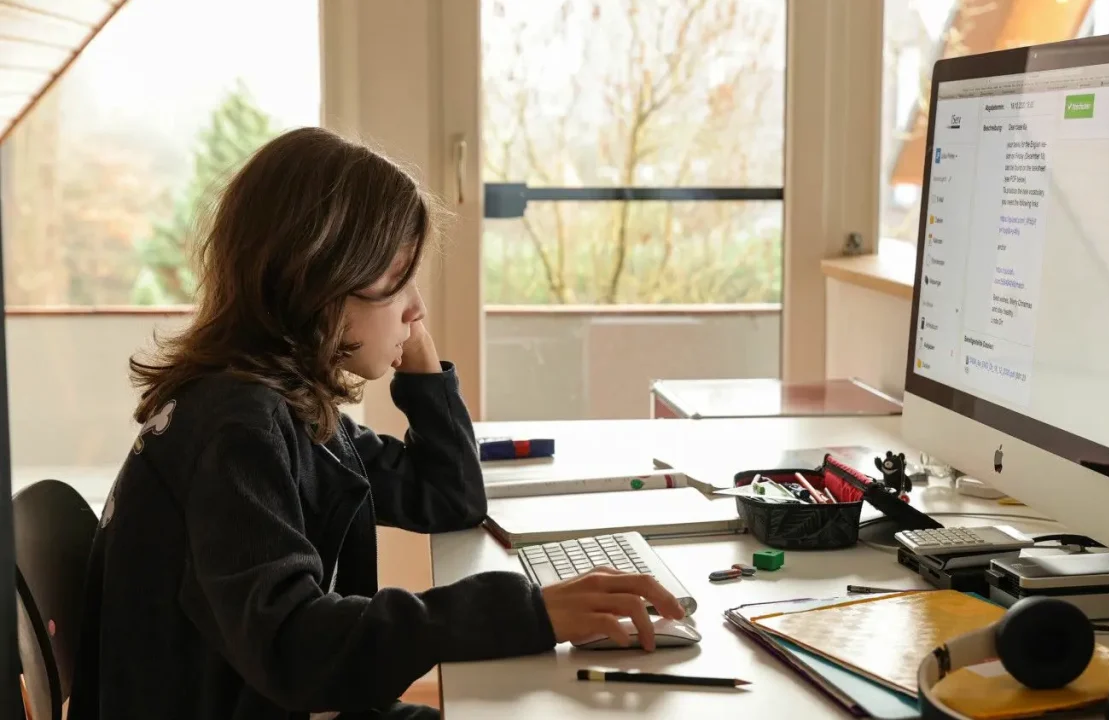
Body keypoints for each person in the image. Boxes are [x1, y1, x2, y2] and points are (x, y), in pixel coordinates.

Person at [67, 127, 684, 720]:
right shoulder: (236, 429)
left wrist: (415, 352)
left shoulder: (282, 403)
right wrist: (528, 612)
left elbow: (447, 497)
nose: (417, 308)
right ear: (315, 284)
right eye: (396, 283)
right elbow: (292, 645)